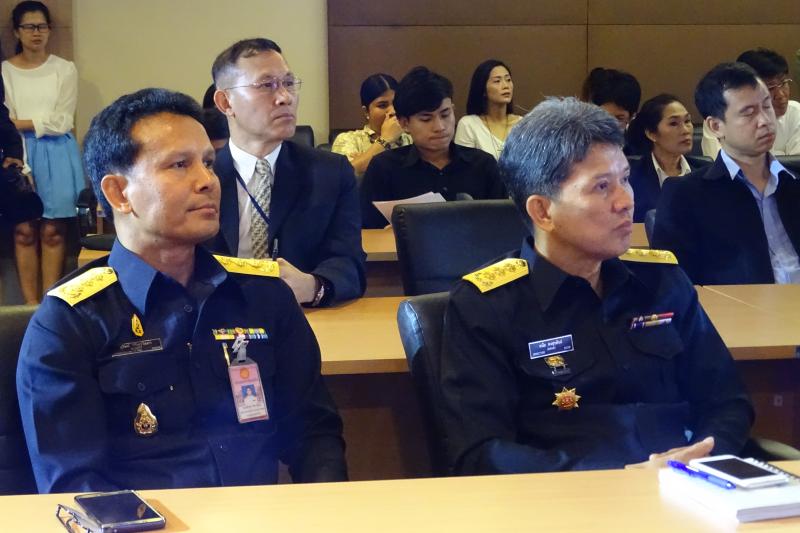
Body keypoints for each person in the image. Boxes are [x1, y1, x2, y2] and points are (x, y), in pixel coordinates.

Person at [16, 88, 347, 493]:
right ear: (119, 193)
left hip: (260, 515)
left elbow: (314, 433)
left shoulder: (262, 295)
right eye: (179, 165)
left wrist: (324, 509)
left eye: (208, 162)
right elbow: (78, 486)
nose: (207, 181)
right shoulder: (70, 321)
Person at [440, 96, 753, 476]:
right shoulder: (487, 305)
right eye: (602, 187)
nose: (626, 201)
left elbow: (727, 401)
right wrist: (618, 477)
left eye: (625, 179)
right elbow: (480, 451)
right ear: (542, 211)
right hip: (569, 500)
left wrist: (701, 457)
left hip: (692, 486)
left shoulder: (661, 279)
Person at [207, 38, 365, 307]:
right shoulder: (201, 177)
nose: (285, 97)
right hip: (217, 316)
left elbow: (349, 263)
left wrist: (313, 286)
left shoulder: (330, 173)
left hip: (301, 317)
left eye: (288, 83)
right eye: (266, 85)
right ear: (225, 102)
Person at [652, 62, 800, 285]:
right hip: (740, 306)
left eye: (766, 106)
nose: (764, 121)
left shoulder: (794, 183)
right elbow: (672, 284)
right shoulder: (686, 195)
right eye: (748, 113)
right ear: (715, 126)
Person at [3, 1, 84, 304]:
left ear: (50, 30)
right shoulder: (4, 71)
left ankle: (49, 307)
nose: (36, 32)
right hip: (16, 151)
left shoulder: (64, 69)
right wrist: (21, 127)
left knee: (53, 231)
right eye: (29, 27)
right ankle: (28, 309)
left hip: (58, 153)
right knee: (23, 231)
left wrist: (18, 122)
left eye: (42, 26)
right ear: (16, 31)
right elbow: (5, 121)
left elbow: (63, 121)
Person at [360, 66, 505, 229]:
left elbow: (503, 226)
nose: (440, 127)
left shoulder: (483, 164)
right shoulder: (384, 168)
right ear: (404, 123)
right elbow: (366, 230)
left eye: (445, 114)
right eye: (426, 119)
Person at [702, 48, 800, 157]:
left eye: (784, 83)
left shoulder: (795, 112)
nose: (781, 95)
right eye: (771, 87)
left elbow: (796, 163)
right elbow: (718, 164)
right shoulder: (720, 120)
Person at [625, 94, 698, 222]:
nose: (685, 130)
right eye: (674, 123)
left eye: (687, 121)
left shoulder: (706, 172)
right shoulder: (631, 177)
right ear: (651, 134)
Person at [331, 73, 412, 176]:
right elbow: (343, 175)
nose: (393, 111)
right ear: (366, 112)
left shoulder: (411, 137)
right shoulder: (349, 140)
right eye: (382, 105)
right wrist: (385, 139)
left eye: (396, 103)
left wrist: (365, 160)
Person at [454, 59, 522, 160]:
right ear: (483, 89)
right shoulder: (468, 124)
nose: (505, 86)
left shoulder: (523, 124)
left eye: (508, 80)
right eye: (497, 81)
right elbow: (464, 166)